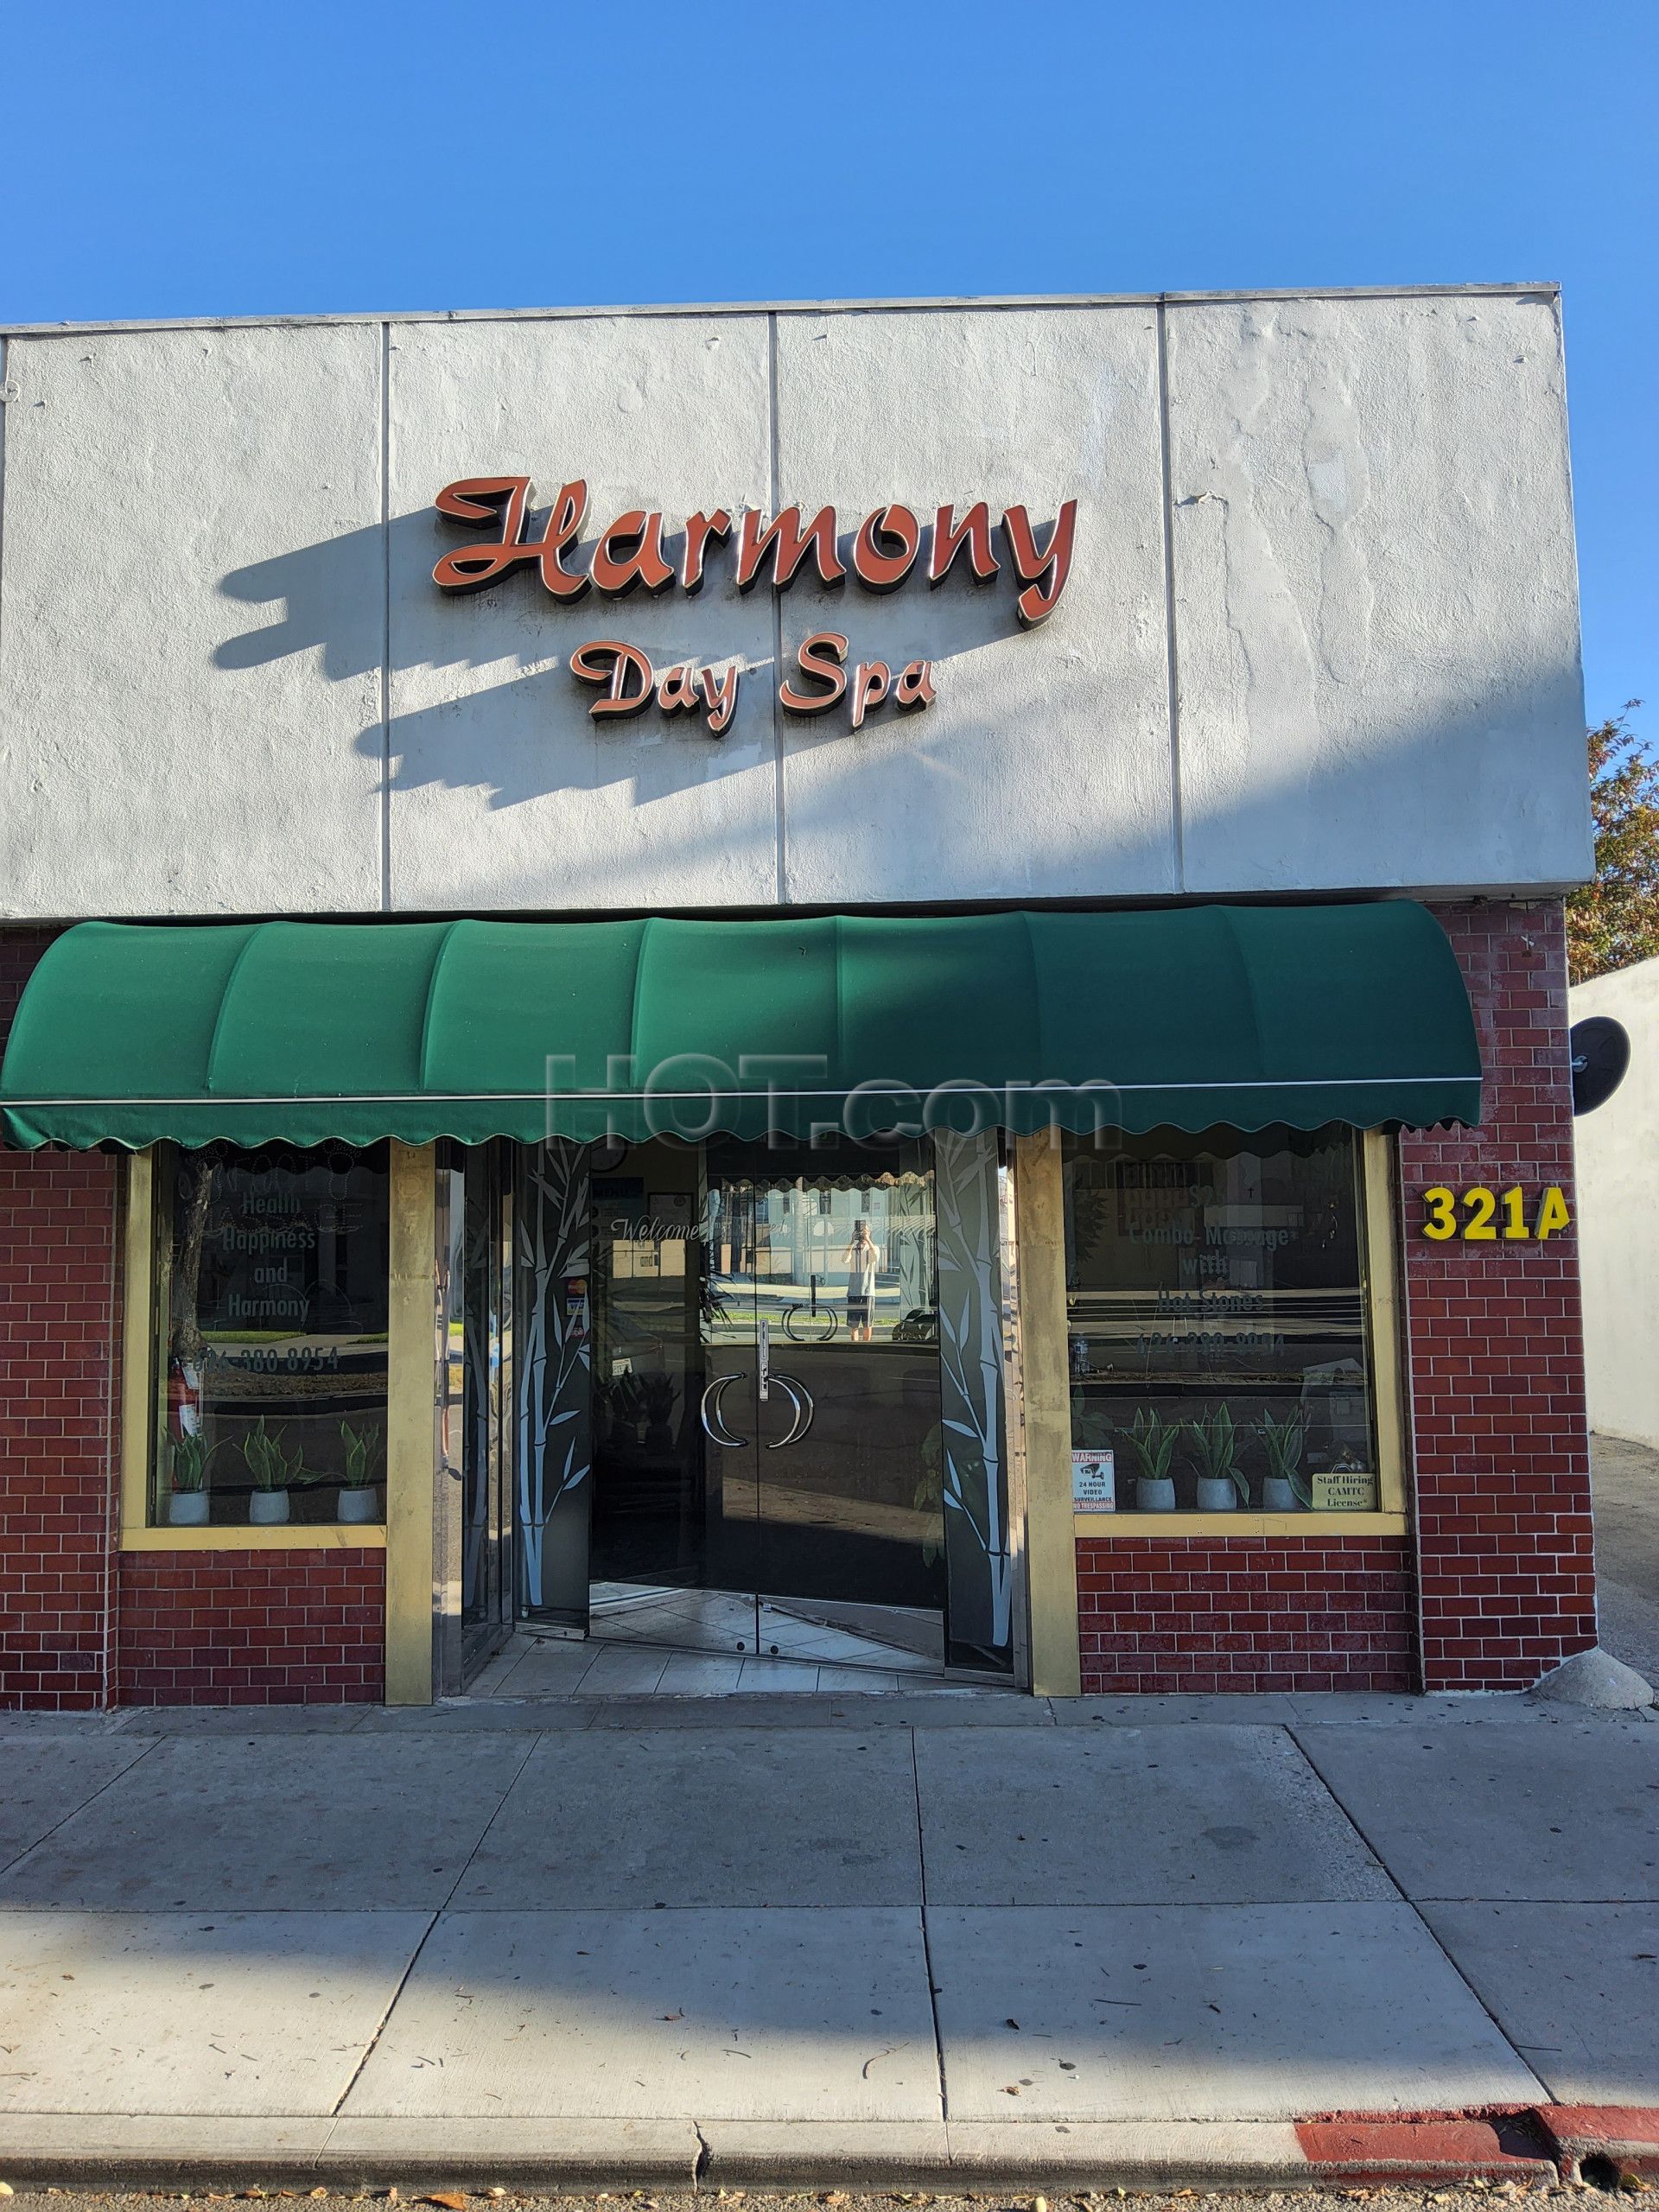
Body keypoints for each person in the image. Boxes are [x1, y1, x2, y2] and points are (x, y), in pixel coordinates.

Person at [843, 1218, 880, 1344]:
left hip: (868, 1291)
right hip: (853, 1291)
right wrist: (851, 1242)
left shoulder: (873, 1248)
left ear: (869, 1233)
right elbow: (844, 1260)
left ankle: (866, 1345)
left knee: (867, 1324)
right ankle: (855, 1346)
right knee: (853, 1325)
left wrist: (868, 1240)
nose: (862, 1234)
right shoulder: (853, 1249)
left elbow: (875, 1257)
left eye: (865, 1231)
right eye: (861, 1232)